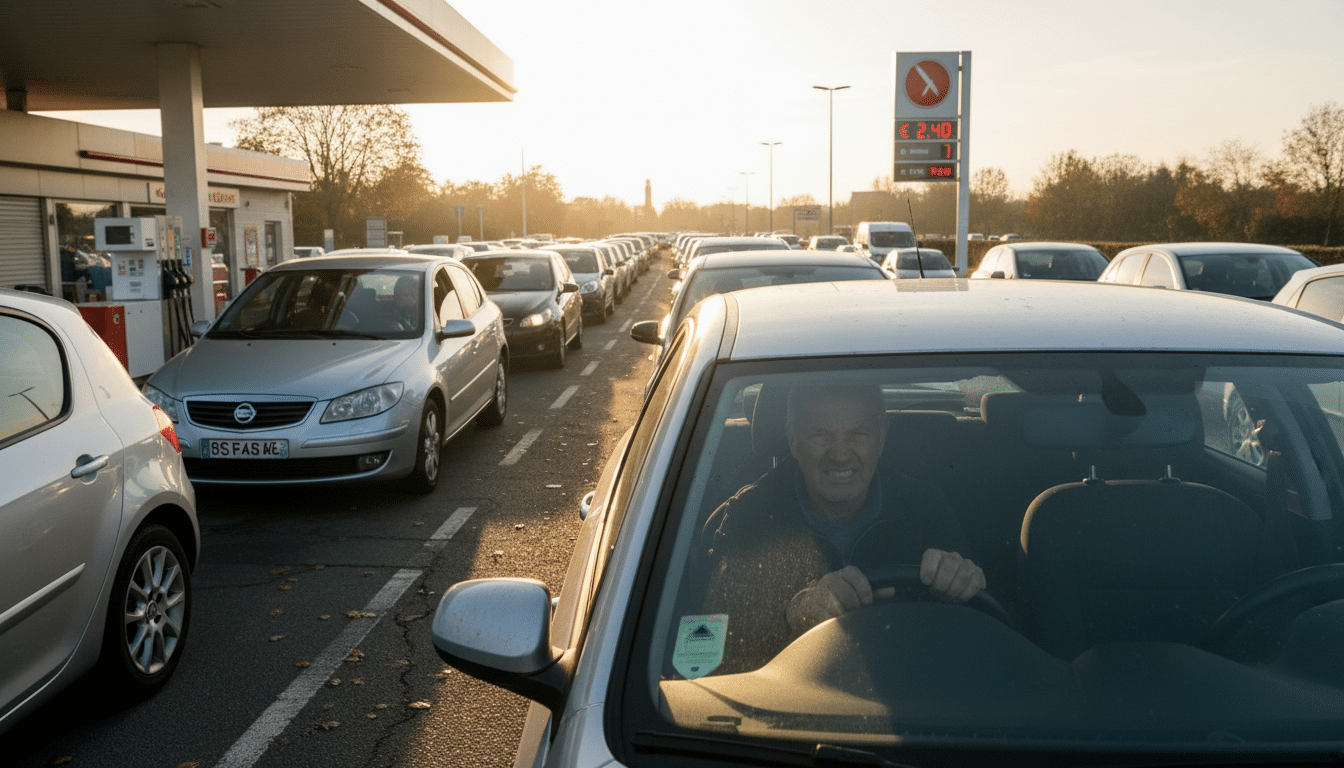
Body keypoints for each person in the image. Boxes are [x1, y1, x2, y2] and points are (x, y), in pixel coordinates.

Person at [695, 382, 985, 673]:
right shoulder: (748, 517)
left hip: (909, 697)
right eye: (820, 434)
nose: (841, 454)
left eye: (858, 434)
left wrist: (958, 589)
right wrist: (791, 619)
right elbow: (706, 652)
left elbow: (984, 632)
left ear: (881, 438)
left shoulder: (926, 511)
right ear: (793, 440)